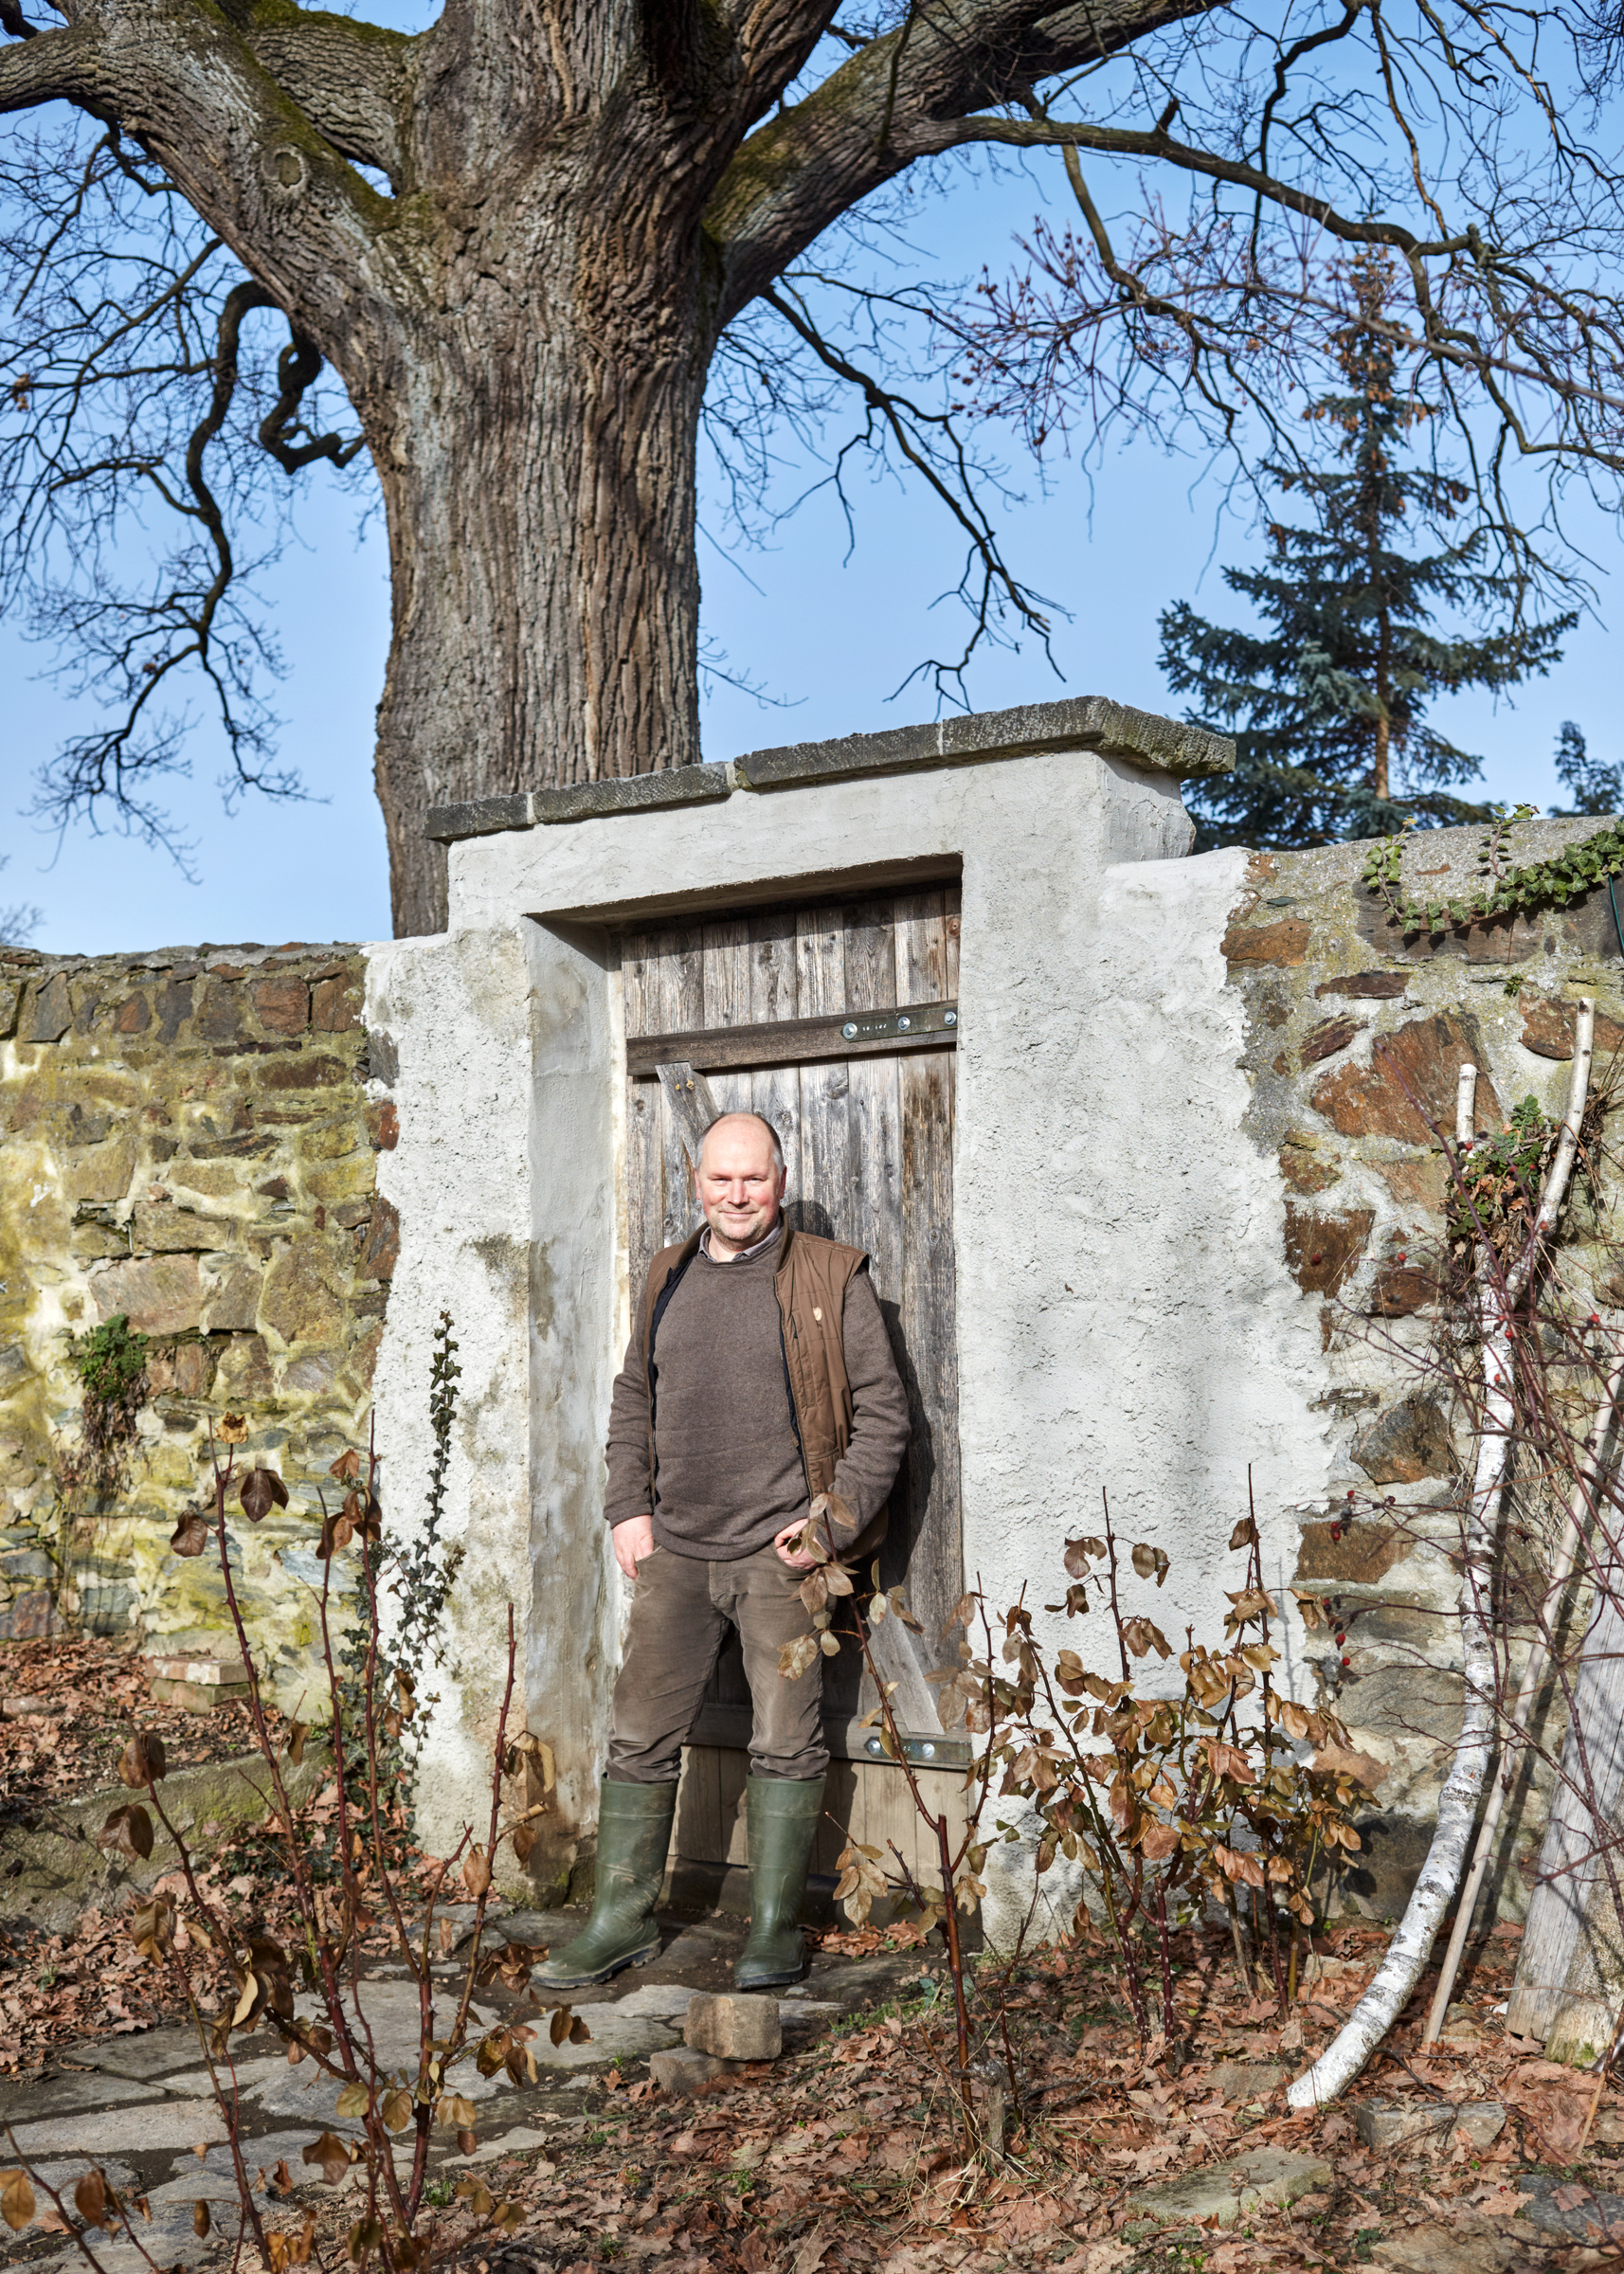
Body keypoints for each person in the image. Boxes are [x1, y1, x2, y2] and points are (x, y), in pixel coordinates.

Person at [538, 1110, 911, 1994]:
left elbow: (885, 1417)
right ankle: (619, 1921)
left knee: (786, 1741)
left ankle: (774, 1932)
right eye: (720, 1178)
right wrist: (627, 1509)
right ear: (695, 1181)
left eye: (753, 1178)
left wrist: (826, 1530)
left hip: (780, 1558)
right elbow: (634, 1396)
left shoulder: (834, 1275)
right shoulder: (667, 1272)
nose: (737, 1194)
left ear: (781, 1182)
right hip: (674, 1551)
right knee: (638, 1737)